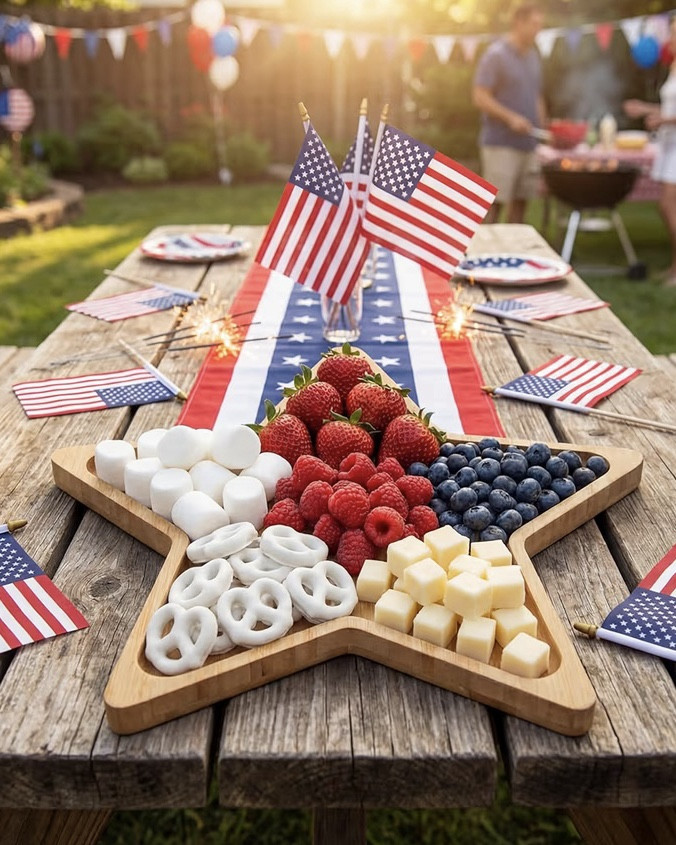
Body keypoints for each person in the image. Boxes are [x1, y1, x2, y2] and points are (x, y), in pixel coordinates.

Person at [472, 3, 546, 224]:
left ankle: (512, 254)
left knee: (521, 202)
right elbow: (479, 96)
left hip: (528, 144)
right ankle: (485, 252)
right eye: (534, 24)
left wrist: (544, 129)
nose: (538, 30)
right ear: (518, 23)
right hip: (500, 145)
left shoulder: (533, 56)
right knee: (495, 203)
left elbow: (536, 96)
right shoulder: (496, 55)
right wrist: (511, 118)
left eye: (540, 25)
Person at [624, 17, 676, 286]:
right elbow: (670, 109)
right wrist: (645, 109)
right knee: (666, 206)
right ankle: (674, 267)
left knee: (668, 206)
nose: (671, 40)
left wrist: (662, 121)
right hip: (668, 144)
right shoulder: (673, 66)